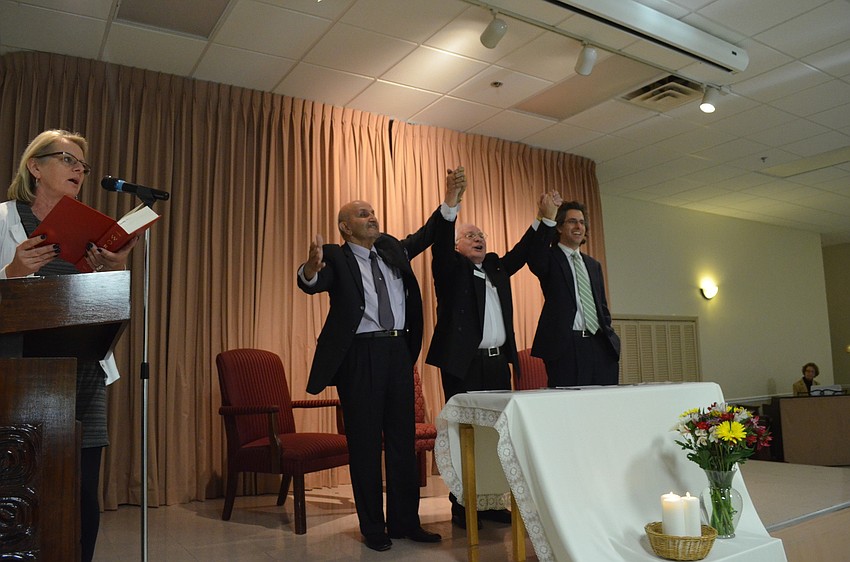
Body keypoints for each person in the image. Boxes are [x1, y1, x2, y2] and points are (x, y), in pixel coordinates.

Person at [297, 172, 464, 552]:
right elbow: (312, 282)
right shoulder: (336, 257)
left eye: (372, 212)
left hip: (397, 354)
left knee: (403, 443)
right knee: (366, 444)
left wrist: (450, 202)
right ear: (345, 227)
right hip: (359, 357)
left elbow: (425, 234)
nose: (371, 216)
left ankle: (405, 522)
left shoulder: (391, 249)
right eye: (361, 214)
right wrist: (309, 269)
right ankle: (374, 526)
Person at [0, 129, 138, 562]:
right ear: (35, 167)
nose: (79, 169)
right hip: (19, 372)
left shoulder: (91, 230)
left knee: (80, 491)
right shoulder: (4, 218)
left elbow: (100, 310)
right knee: (20, 486)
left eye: (83, 164)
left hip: (83, 373)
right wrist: (13, 271)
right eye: (67, 159)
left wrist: (113, 271)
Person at [426, 180, 559, 529]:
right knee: (464, 433)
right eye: (470, 235)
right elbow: (440, 246)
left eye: (481, 234)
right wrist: (450, 207)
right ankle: (461, 505)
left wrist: (544, 220)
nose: (479, 238)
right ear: (457, 245)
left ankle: (488, 502)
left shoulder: (497, 268)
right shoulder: (450, 268)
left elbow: (524, 251)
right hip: (463, 365)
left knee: (495, 436)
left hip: (499, 363)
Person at [528, 200, 620, 387]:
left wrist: (609, 335)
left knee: (605, 405)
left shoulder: (593, 265)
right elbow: (535, 258)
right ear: (559, 227)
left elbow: (601, 306)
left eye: (581, 222)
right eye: (572, 221)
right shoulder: (550, 258)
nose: (579, 226)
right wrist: (547, 219)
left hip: (599, 344)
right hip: (566, 347)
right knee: (570, 407)